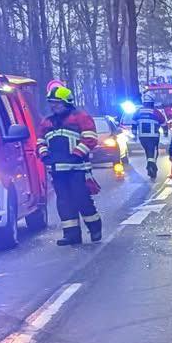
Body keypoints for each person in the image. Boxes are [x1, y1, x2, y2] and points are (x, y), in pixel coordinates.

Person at [42, 92, 102, 245]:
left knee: (82, 199)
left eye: (57, 102)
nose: (53, 105)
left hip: (78, 169)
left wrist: (77, 154)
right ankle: (71, 235)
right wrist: (44, 155)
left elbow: (90, 139)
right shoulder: (47, 122)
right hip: (57, 171)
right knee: (64, 202)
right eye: (51, 102)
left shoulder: (80, 117)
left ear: (66, 102)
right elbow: (40, 141)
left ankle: (95, 227)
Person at [131, 95, 167, 178]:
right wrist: (165, 132)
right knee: (154, 152)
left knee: (148, 151)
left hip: (142, 137)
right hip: (154, 137)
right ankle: (151, 166)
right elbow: (163, 123)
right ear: (152, 103)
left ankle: (150, 166)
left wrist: (134, 134)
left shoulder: (138, 112)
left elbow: (133, 124)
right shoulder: (156, 112)